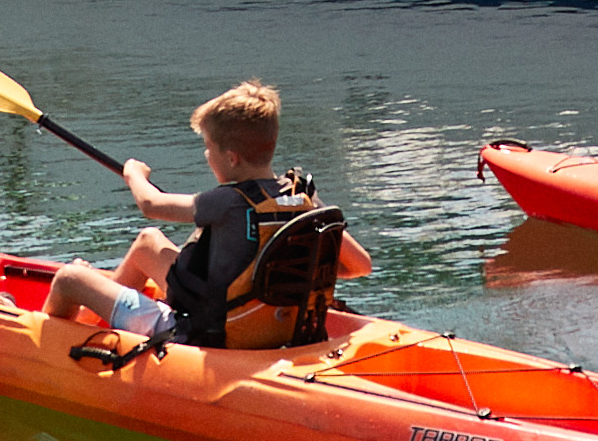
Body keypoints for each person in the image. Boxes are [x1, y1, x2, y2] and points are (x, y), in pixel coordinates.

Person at [38, 79, 372, 356]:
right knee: (148, 241)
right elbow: (360, 265)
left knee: (70, 278)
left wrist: (133, 174)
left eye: (209, 147)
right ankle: (91, 318)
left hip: (208, 333)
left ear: (232, 158)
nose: (206, 154)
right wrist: (288, 276)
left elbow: (151, 203)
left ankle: (47, 343)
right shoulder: (304, 198)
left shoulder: (226, 201)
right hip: (278, 325)